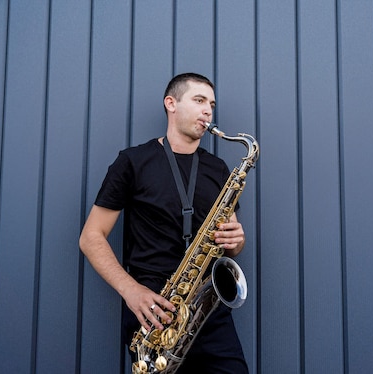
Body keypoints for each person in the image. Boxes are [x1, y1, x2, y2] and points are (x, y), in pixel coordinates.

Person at [79, 72, 249, 373]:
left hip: (208, 309)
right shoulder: (132, 162)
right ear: (171, 103)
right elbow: (91, 236)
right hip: (153, 309)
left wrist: (236, 241)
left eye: (211, 103)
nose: (208, 110)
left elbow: (231, 242)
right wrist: (132, 291)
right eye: (199, 100)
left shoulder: (218, 169)